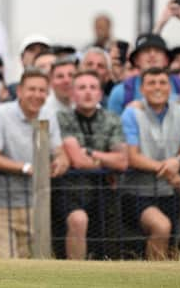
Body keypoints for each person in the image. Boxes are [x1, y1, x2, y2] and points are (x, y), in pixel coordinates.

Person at [0, 68, 69, 258]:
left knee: (32, 267)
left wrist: (61, 161)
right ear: (20, 91)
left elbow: (59, 151)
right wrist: (26, 168)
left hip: (36, 204)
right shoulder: (0, 114)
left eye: (42, 90)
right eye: (32, 89)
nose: (37, 95)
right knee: (5, 266)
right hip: (0, 206)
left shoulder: (49, 114)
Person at [120, 67, 180, 260]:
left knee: (174, 245)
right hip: (137, 193)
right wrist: (168, 170)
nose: (157, 87)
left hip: (171, 192)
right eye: (151, 83)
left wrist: (176, 162)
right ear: (142, 89)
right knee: (162, 226)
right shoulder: (131, 114)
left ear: (170, 88)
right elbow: (133, 157)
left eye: (162, 82)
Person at [57, 70, 128, 259]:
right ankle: (76, 277)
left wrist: (90, 153)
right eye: (81, 87)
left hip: (106, 191)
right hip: (72, 191)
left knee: (109, 244)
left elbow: (122, 161)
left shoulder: (112, 118)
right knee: (78, 221)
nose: (88, 92)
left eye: (93, 87)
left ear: (100, 93)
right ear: (72, 93)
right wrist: (106, 161)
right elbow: (77, 162)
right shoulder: (63, 118)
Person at [107, 33, 180, 116]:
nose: (152, 55)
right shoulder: (120, 92)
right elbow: (113, 129)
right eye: (146, 51)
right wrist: (129, 114)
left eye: (158, 51)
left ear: (167, 59)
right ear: (136, 60)